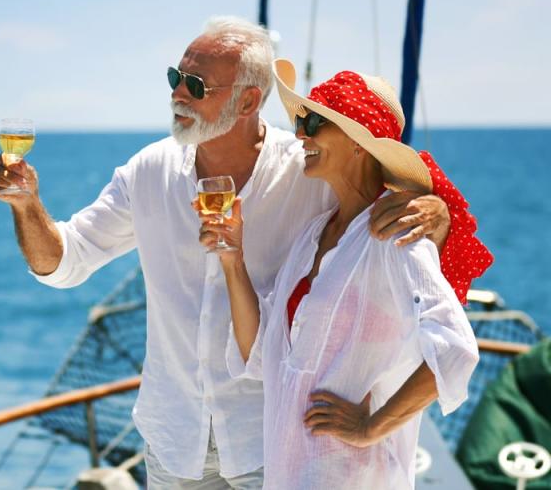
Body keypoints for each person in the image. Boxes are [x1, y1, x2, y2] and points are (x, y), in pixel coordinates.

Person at [0, 16, 489, 488]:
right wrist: (27, 205)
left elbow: (385, 197)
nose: (178, 94)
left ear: (250, 101)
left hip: (273, 439)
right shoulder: (148, 172)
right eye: (175, 77)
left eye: (197, 85)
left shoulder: (309, 170)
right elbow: (63, 262)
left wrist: (435, 213)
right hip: (173, 438)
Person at [202, 59, 480, 489]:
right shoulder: (313, 235)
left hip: (357, 476)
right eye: (299, 120)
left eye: (314, 122)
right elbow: (259, 353)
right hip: (290, 472)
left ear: (357, 140)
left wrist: (371, 427)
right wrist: (232, 260)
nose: (300, 134)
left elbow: (457, 350)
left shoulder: (395, 237)